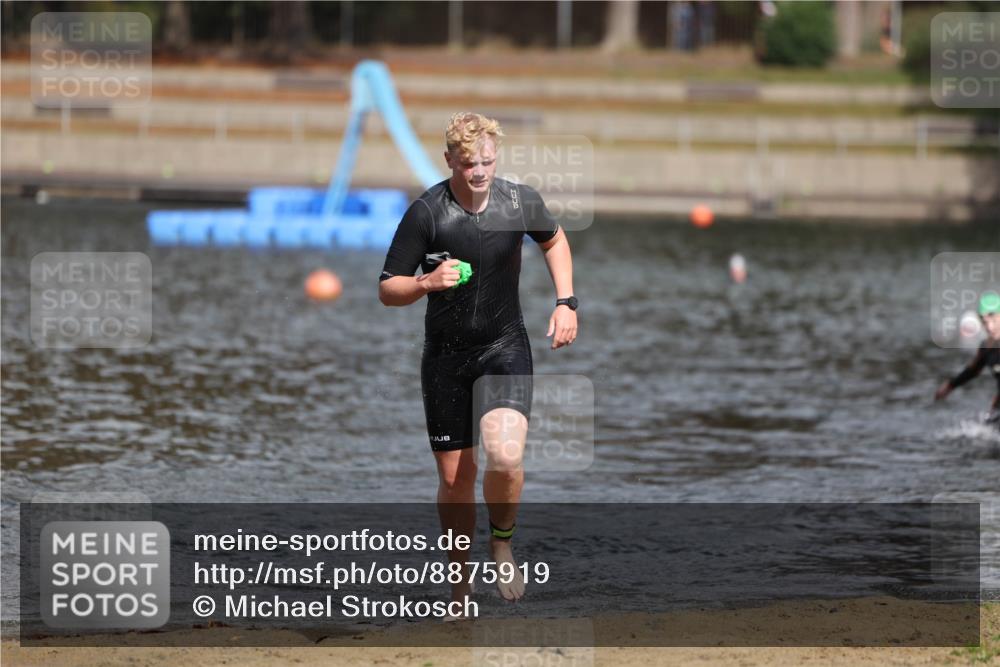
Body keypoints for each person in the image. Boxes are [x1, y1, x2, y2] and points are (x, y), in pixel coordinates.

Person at [378, 112, 578, 606]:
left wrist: (566, 302)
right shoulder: (426, 213)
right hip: (446, 358)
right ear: (450, 160)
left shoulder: (518, 200)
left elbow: (554, 240)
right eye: (469, 163)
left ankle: (502, 544)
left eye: (487, 160)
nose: (480, 172)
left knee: (506, 456)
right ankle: (459, 586)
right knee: (455, 478)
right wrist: (425, 283)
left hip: (504, 345)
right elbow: (387, 289)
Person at [935, 291, 1000, 429]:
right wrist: (949, 386)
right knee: (986, 426)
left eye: (993, 319)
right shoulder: (986, 348)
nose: (989, 327)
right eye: (984, 321)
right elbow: (973, 370)